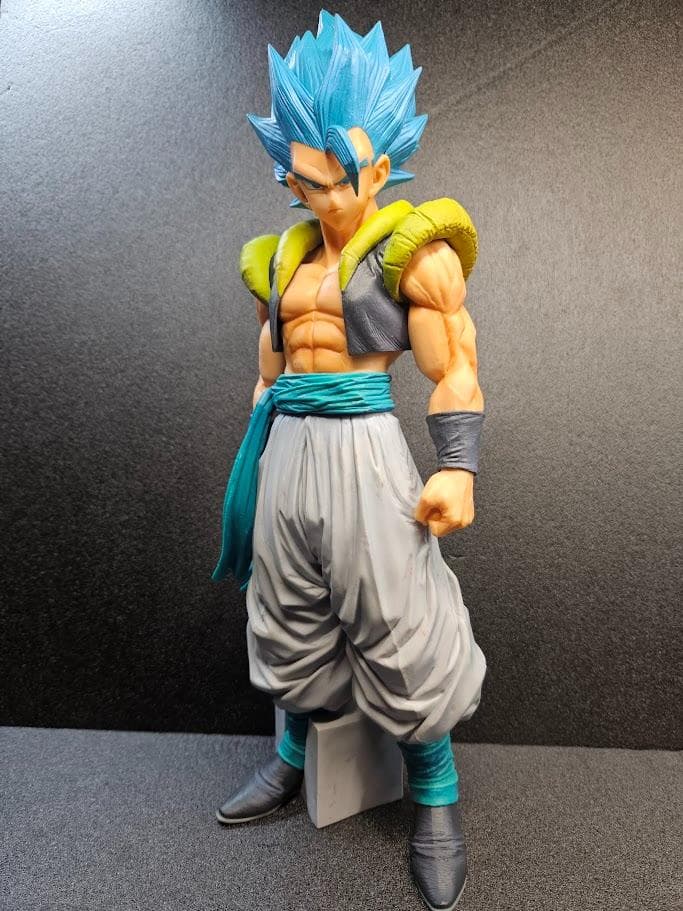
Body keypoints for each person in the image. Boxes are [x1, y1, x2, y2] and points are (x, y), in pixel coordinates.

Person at [212, 12, 487, 910]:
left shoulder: (416, 254)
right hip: (288, 442)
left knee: (396, 615)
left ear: (376, 167)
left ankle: (435, 790)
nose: (311, 195)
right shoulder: (282, 257)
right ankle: (293, 754)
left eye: (327, 179)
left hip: (364, 445)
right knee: (283, 611)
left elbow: (454, 364)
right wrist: (259, 434)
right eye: (297, 177)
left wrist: (456, 465)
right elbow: (270, 364)